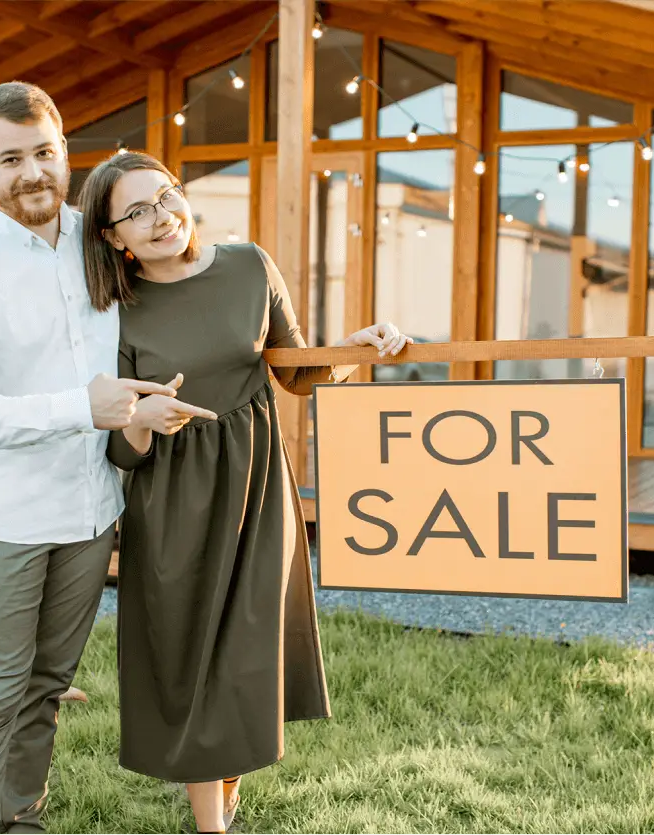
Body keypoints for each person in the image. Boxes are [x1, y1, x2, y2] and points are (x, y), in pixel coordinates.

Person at [78, 151, 411, 834]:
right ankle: (211, 823)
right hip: (172, 497)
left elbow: (295, 371)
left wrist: (355, 346)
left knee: (247, 649)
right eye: (135, 212)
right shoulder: (113, 312)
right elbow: (120, 444)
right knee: (189, 652)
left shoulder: (249, 266)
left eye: (165, 197)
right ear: (113, 236)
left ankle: (221, 787)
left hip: (257, 481)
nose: (160, 217)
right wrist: (142, 420)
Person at [0, 83, 207, 835]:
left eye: (43, 152)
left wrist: (338, 344)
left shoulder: (99, 238)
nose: (32, 172)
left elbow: (196, 275)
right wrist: (83, 407)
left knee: (45, 687)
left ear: (63, 149)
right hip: (3, 520)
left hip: (89, 512)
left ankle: (21, 824)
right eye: (10, 158)